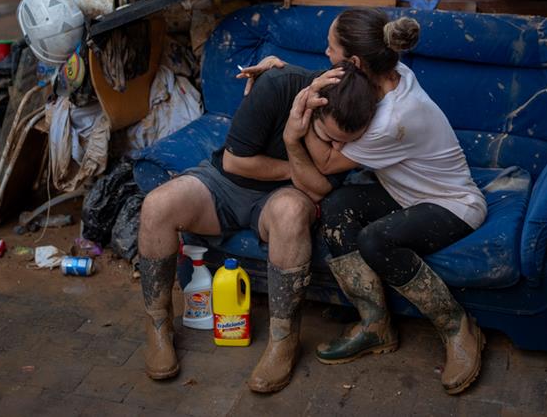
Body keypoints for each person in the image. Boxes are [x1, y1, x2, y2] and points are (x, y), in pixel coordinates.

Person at [237, 7, 487, 395]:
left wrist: (298, 117)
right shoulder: (390, 72)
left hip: (451, 203)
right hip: (403, 193)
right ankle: (375, 326)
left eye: (330, 47)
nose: (324, 53)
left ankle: (458, 327)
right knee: (336, 208)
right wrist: (281, 72)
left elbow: (324, 163)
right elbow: (334, 81)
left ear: (353, 61)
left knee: (375, 240)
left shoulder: (392, 119)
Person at [138, 62, 377, 393]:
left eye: (345, 145)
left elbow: (319, 190)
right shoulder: (278, 85)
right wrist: (297, 168)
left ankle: (283, 339)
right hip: (226, 182)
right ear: (311, 105)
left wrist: (295, 144)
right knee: (157, 206)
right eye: (328, 138)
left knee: (291, 211)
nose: (336, 152)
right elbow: (235, 163)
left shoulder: (361, 118)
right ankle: (158, 325)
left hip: (283, 198)